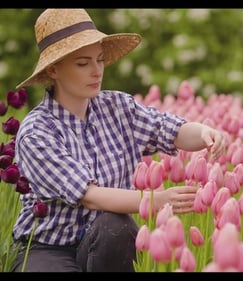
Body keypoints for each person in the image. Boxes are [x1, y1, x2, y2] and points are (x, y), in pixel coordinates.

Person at [10, 9, 226, 272]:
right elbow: (89, 196)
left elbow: (169, 130)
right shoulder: (37, 131)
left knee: (117, 225)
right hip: (47, 246)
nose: (96, 70)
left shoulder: (118, 107)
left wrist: (205, 133)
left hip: (106, 240)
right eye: (83, 63)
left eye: (99, 60)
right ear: (54, 69)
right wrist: (154, 200)